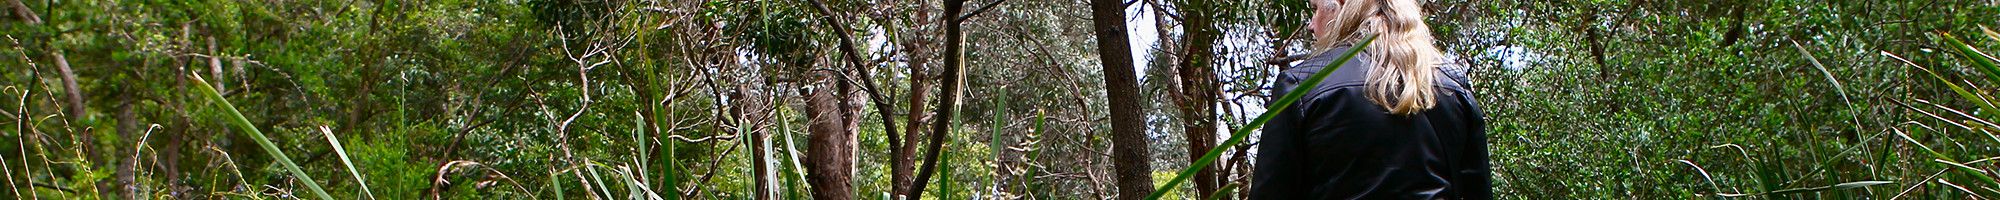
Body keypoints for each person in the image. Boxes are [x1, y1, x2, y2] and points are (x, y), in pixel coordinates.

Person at [1249, 0, 1490, 199]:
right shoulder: (1453, 86)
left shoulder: (1302, 85)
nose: (1311, 25)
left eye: (1315, 9)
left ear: (1341, 5)